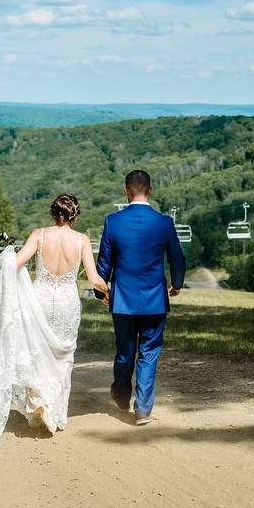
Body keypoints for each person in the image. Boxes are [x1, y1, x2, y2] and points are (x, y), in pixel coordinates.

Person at [0, 193, 108, 452]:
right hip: (67, 302)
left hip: (39, 298)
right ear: (75, 215)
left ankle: (39, 403)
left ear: (54, 213)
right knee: (63, 356)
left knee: (36, 352)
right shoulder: (82, 240)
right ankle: (56, 413)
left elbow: (14, 264)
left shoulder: (39, 235)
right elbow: (94, 278)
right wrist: (106, 292)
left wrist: (6, 254)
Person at [96, 170, 186, 425]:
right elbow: (178, 257)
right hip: (155, 300)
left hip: (123, 300)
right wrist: (176, 284)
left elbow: (104, 262)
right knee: (149, 352)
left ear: (126, 191)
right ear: (151, 190)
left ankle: (122, 395)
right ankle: (143, 409)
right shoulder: (164, 222)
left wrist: (100, 290)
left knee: (125, 350)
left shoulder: (113, 221)